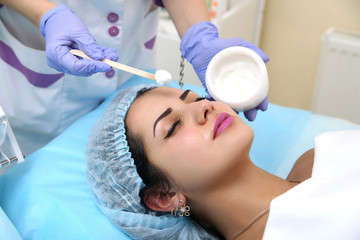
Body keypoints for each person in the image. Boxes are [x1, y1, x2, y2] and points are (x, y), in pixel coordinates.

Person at [86, 84, 360, 240]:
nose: (205, 107)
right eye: (173, 127)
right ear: (164, 197)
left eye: (197, 98)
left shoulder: (315, 156)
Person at [0, 0, 268, 155]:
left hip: (129, 55)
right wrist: (45, 13)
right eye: (172, 127)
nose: (205, 107)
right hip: (33, 107)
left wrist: (198, 36)